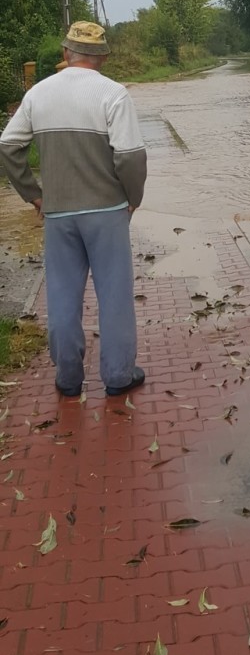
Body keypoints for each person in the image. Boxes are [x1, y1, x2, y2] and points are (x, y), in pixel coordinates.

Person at [0, 21, 147, 399]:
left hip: (58, 213)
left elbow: (8, 146)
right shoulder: (113, 94)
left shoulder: (38, 94)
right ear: (103, 57)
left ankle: (68, 377)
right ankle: (117, 376)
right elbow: (130, 157)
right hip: (107, 210)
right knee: (113, 295)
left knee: (62, 296)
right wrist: (133, 198)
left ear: (65, 54)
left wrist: (34, 195)